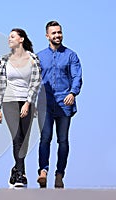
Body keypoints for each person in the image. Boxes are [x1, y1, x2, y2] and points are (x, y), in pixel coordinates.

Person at [36, 21, 82, 188]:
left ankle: (59, 174)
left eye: (59, 32)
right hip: (45, 104)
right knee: (45, 138)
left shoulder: (71, 55)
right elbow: (34, 80)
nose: (57, 35)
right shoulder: (39, 56)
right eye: (53, 33)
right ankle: (43, 171)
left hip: (64, 103)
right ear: (47, 36)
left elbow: (77, 76)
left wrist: (72, 93)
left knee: (62, 140)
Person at [0, 28, 41, 188]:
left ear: (21, 39)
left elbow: (35, 83)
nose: (9, 39)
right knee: (17, 136)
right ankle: (21, 174)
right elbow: (0, 84)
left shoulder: (33, 58)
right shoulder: (4, 60)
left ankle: (15, 169)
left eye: (13, 37)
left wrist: (28, 103)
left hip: (26, 100)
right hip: (9, 101)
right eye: (8, 37)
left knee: (24, 139)